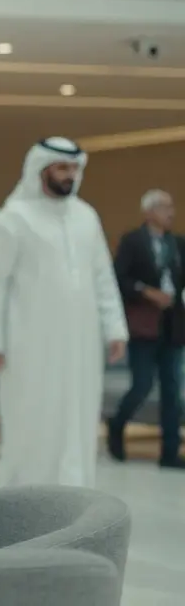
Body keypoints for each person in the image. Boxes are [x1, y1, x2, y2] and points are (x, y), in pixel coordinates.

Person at [0, 138, 128, 487]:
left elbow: (102, 275)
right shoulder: (13, 218)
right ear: (41, 170)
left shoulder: (86, 216)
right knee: (33, 415)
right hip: (29, 341)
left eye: (75, 169)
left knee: (78, 414)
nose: (70, 176)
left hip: (81, 342)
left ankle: (74, 493)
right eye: (63, 168)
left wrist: (115, 329)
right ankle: (26, 496)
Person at [108, 189, 184, 469]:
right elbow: (120, 279)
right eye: (165, 206)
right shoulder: (132, 241)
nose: (171, 212)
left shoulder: (177, 244)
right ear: (149, 211)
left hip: (173, 326)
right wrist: (147, 292)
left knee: (172, 390)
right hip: (144, 326)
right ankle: (117, 425)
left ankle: (170, 452)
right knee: (142, 385)